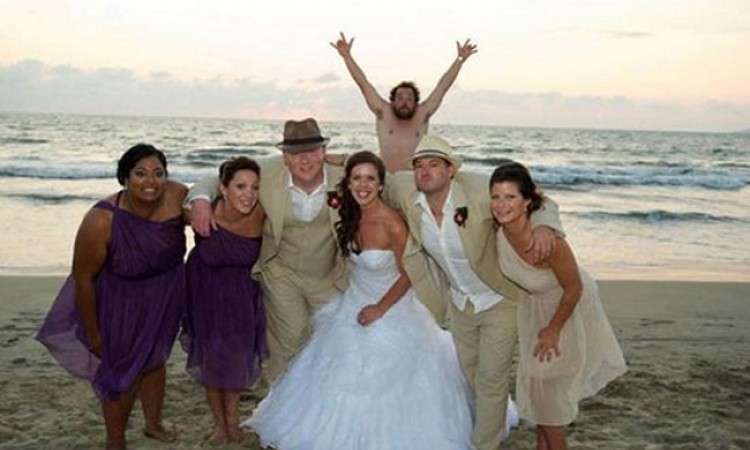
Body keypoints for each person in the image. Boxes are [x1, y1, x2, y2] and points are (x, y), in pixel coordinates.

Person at [244, 150, 486, 449]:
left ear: (381, 185)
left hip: (390, 307)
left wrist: (379, 309)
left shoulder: (392, 223)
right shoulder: (350, 215)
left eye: (371, 179)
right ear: (347, 183)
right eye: (357, 178)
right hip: (352, 301)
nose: (363, 185)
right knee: (331, 370)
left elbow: (409, 274)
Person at [385, 135, 564, 450]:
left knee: (491, 380)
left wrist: (545, 226)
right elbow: (373, 179)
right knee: (471, 376)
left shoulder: (478, 189)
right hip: (459, 304)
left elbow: (538, 198)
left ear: (451, 170)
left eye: (434, 164)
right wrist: (334, 159)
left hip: (499, 299)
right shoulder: (405, 189)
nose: (424, 171)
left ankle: (485, 445)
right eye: (419, 165)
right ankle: (491, 426)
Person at [36, 144, 187, 450]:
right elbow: (83, 278)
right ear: (124, 178)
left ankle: (153, 424)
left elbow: (211, 199)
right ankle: (115, 440)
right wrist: (93, 332)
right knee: (121, 370)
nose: (151, 181)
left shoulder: (176, 195)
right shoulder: (102, 219)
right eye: (140, 173)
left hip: (165, 296)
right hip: (120, 301)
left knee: (155, 360)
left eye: (158, 173)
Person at [186, 118, 347, 383]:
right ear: (285, 157)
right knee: (289, 343)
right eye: (295, 153)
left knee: (331, 343)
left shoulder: (344, 176)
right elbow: (216, 178)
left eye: (311, 151)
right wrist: (201, 201)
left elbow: (379, 174)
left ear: (323, 152)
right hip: (282, 274)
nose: (304, 160)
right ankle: (282, 399)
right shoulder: (268, 171)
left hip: (327, 276)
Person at [489, 162, 627, 450]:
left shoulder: (548, 242)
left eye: (510, 197)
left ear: (527, 201)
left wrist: (553, 329)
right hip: (533, 307)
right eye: (496, 197)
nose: (501, 205)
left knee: (548, 395)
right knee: (541, 394)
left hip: (566, 308)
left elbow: (574, 288)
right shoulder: (498, 226)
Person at [180, 156, 267, 444]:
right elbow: (165, 219)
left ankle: (232, 421)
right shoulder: (203, 211)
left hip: (242, 296)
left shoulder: (262, 213)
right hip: (204, 294)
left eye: (254, 187)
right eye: (240, 186)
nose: (248, 194)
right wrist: (200, 200)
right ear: (223, 189)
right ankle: (220, 425)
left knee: (235, 360)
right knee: (211, 360)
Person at [331, 32, 477, 172]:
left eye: (409, 98)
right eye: (400, 98)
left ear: (416, 103)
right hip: (387, 176)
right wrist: (347, 56)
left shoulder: (423, 113)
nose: (404, 102)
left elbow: (443, 86)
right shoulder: (383, 111)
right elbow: (363, 84)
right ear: (392, 102)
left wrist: (460, 60)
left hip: (414, 178)